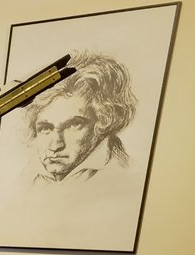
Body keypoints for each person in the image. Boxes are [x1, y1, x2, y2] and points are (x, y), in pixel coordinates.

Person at [24, 52, 137, 186]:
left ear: (104, 122)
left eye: (74, 125)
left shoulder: (125, 176)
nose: (55, 146)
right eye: (46, 128)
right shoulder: (26, 177)